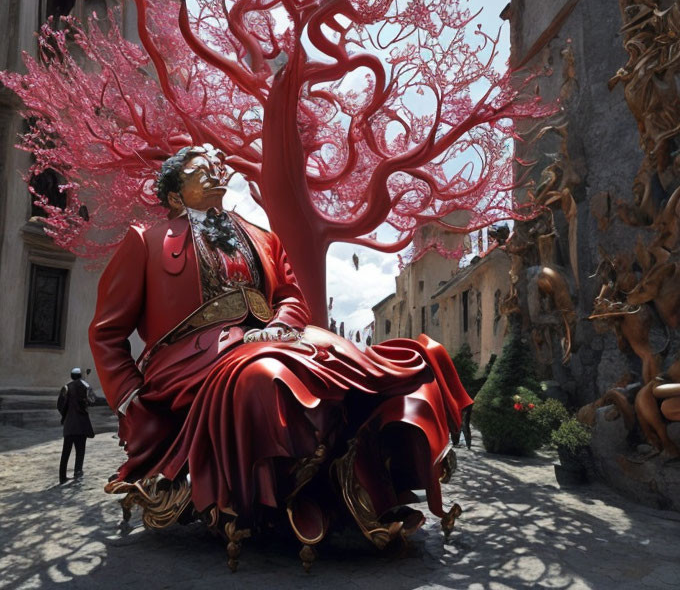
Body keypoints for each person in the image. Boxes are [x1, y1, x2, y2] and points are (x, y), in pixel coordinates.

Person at [89, 145, 471, 564]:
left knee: (349, 355)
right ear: (176, 195)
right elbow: (107, 332)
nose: (215, 173)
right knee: (264, 376)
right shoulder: (144, 243)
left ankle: (370, 473)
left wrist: (280, 324)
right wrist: (129, 397)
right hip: (190, 364)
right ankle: (278, 501)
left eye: (217, 167)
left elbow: (290, 295)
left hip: (274, 338)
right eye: (201, 171)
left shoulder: (261, 236)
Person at [57, 367, 96, 484]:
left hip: (69, 424)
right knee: (80, 450)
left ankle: (62, 477)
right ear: (80, 376)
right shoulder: (86, 386)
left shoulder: (66, 387)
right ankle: (78, 473)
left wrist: (65, 415)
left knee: (66, 452)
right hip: (82, 423)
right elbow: (92, 401)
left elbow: (59, 405)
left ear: (71, 376)